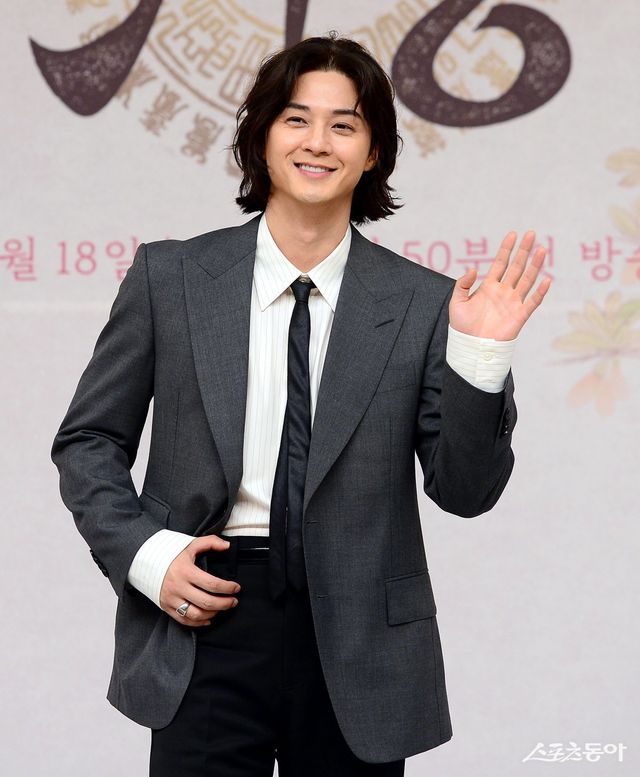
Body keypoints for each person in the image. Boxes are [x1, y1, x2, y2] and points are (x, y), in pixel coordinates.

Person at [51, 34, 550, 777]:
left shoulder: (422, 303)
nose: (318, 142)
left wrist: (481, 358)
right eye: (296, 119)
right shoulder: (171, 277)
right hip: (205, 617)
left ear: (373, 153)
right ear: (260, 135)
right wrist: (148, 557)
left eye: (344, 125)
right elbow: (88, 441)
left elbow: (465, 490)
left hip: (360, 638)